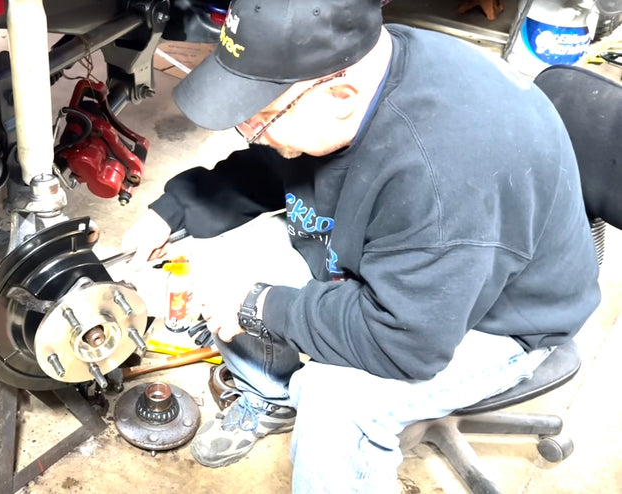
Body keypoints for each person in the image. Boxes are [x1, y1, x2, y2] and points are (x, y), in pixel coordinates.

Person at [121, 0, 601, 492]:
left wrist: (259, 305)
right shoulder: (354, 72)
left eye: (258, 119)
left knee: (334, 401)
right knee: (221, 264)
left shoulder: (444, 176)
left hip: (497, 319)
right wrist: (175, 211)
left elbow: (404, 342)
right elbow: (278, 160)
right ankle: (268, 394)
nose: (250, 133)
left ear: (341, 95)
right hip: (415, 264)